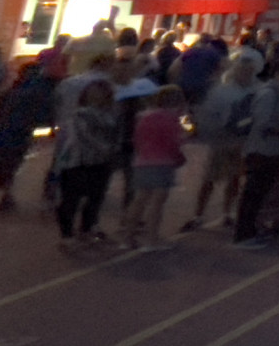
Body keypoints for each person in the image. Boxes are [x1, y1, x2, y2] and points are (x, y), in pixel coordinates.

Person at [0, 57, 51, 216]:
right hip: (11, 135)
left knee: (6, 167)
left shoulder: (11, 92)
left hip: (7, 134)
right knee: (4, 168)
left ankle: (3, 197)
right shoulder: (26, 94)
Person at [183, 55, 256, 232]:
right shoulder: (221, 91)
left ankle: (227, 213)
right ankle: (198, 215)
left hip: (241, 141)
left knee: (234, 179)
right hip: (222, 140)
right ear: (236, 71)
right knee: (210, 178)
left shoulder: (254, 90)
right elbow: (209, 115)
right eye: (243, 70)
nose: (246, 74)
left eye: (249, 71)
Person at [53, 76, 121, 247]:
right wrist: (104, 148)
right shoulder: (80, 114)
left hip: (100, 161)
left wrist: (111, 149)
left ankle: (87, 228)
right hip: (78, 161)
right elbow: (83, 135)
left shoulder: (110, 114)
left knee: (95, 196)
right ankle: (67, 234)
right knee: (72, 198)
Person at [232, 72, 279, 246]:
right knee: (252, 193)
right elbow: (262, 123)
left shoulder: (277, 93)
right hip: (260, 150)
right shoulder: (268, 94)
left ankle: (250, 230)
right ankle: (244, 234)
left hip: (268, 150)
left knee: (258, 193)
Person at [122, 82, 184, 250]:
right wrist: (179, 158)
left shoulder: (143, 117)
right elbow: (173, 143)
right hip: (162, 163)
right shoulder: (171, 120)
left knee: (139, 200)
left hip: (142, 161)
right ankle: (151, 240)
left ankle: (127, 238)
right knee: (157, 203)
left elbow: (137, 140)